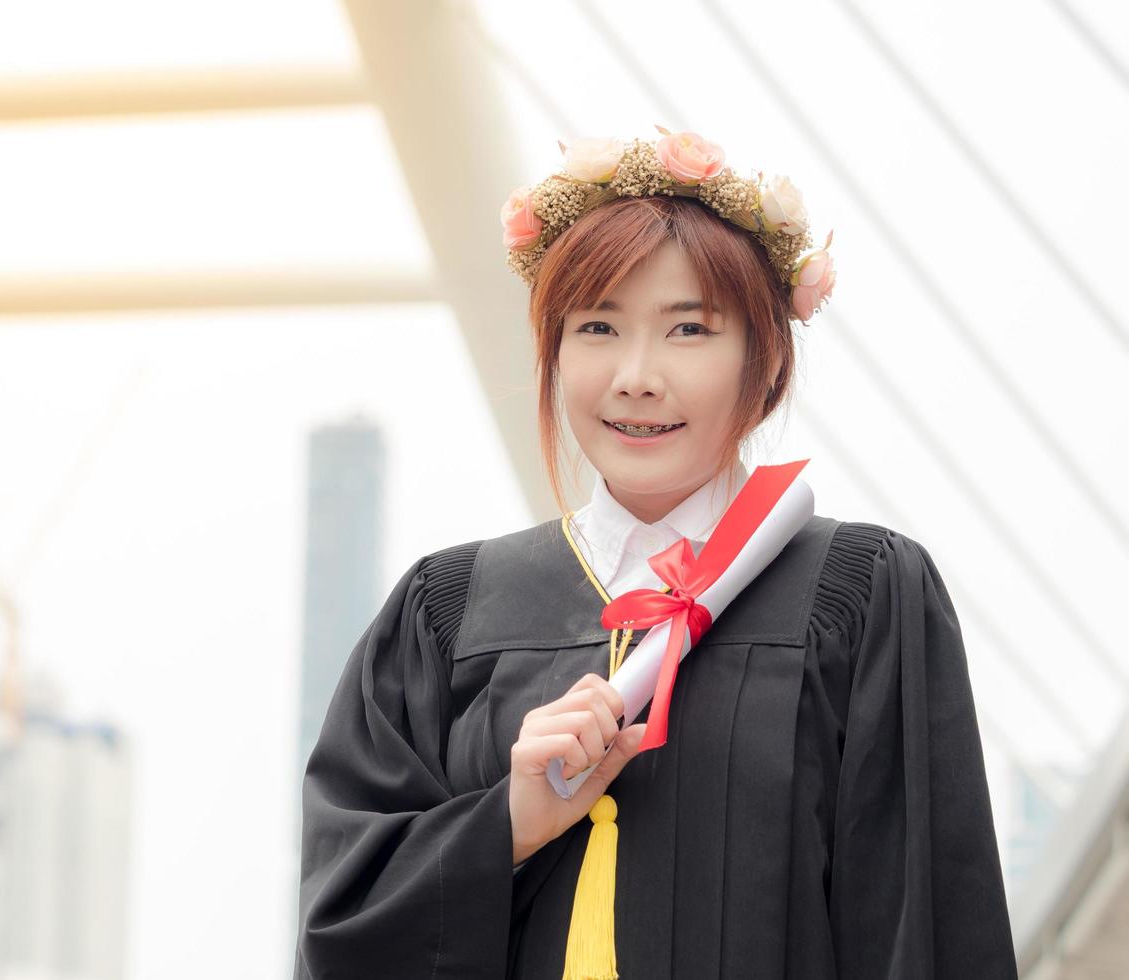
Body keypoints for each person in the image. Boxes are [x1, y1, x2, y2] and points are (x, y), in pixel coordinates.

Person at [293, 128, 1018, 979]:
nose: (635, 376)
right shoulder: (447, 612)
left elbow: (922, 927)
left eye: (688, 330)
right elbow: (342, 923)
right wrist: (509, 825)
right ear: (554, 353)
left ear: (765, 357)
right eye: (597, 326)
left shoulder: (857, 599)